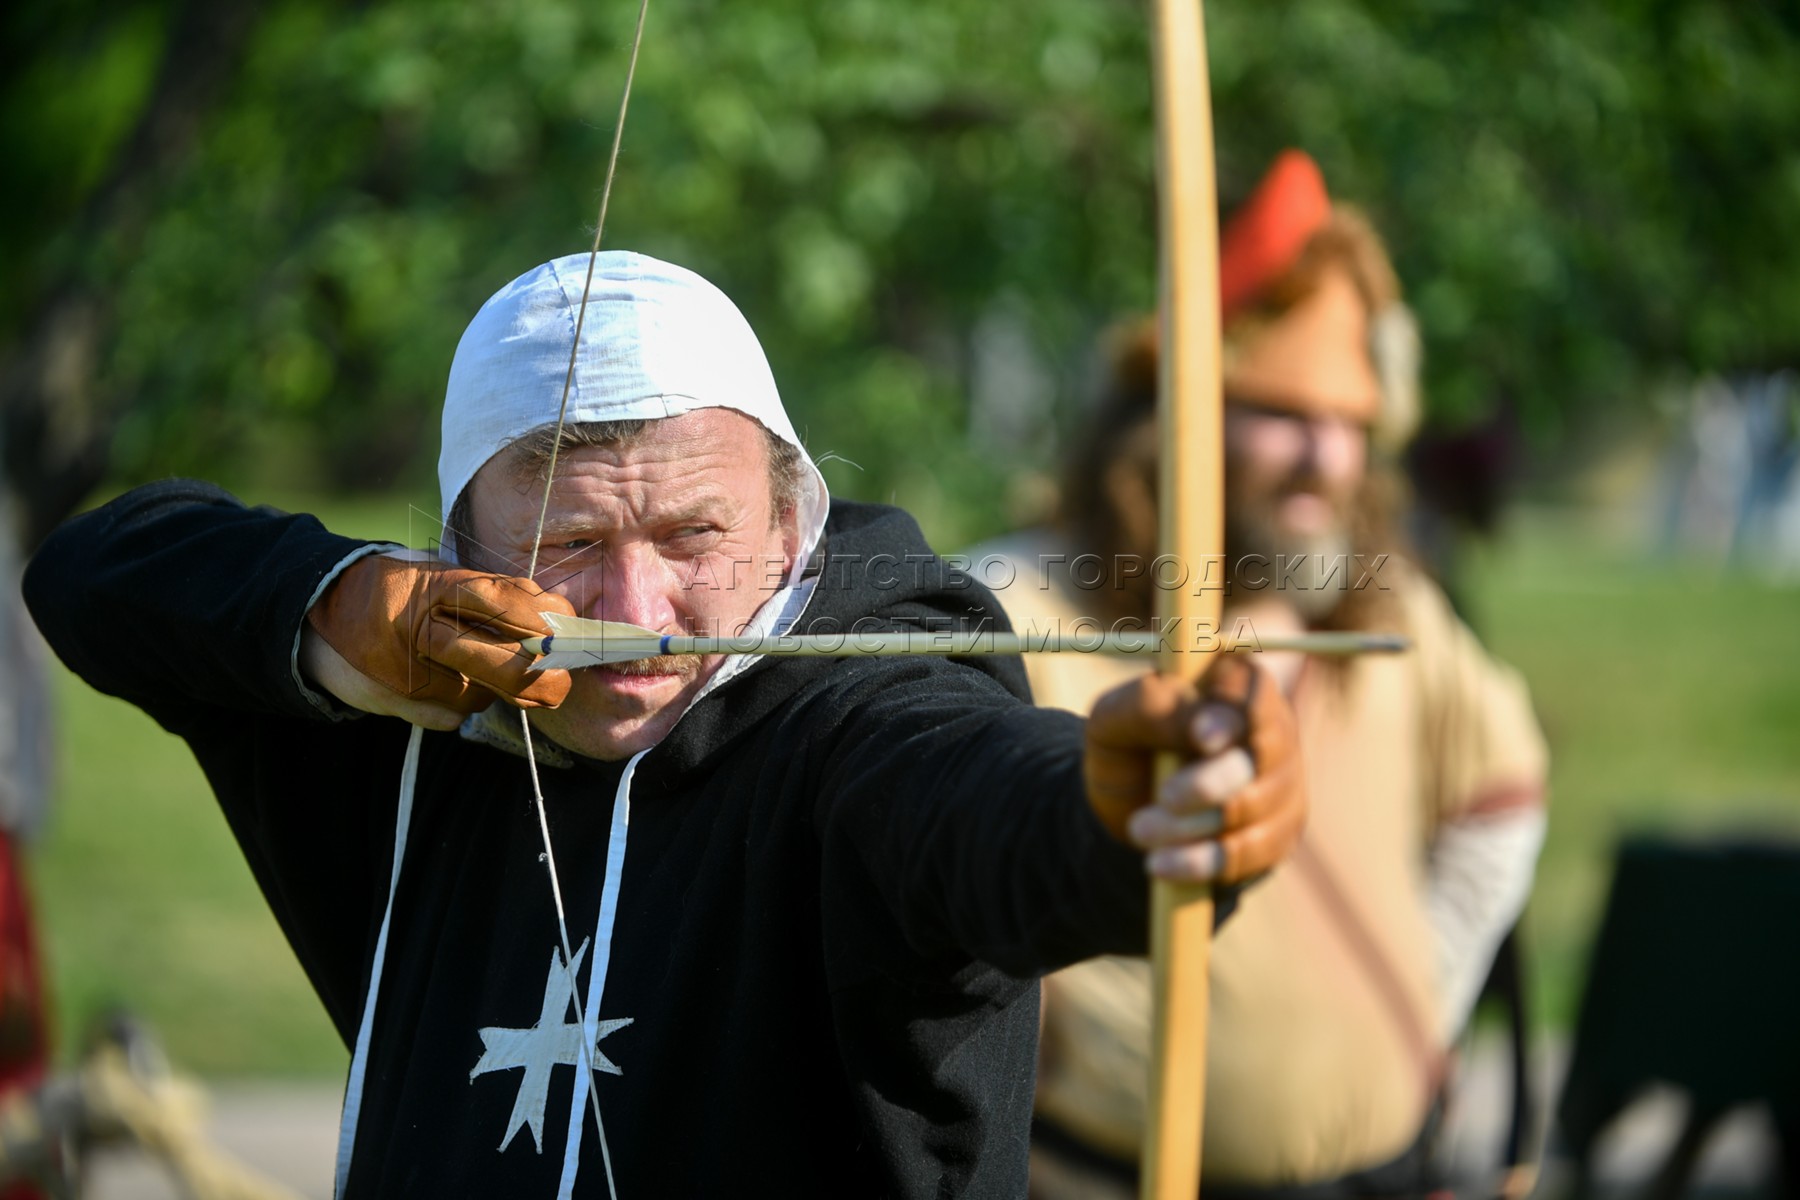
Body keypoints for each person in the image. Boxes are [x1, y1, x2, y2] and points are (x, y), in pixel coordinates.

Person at [24, 252, 1306, 1198]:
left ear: (790, 522)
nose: (637, 615)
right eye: (567, 542)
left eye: (695, 536)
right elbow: (92, 575)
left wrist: (1114, 813)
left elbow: (973, 796)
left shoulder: (858, 723)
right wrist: (341, 604)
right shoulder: (417, 698)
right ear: (457, 542)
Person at [975, 152, 1549, 1197]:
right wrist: (1010, 1031)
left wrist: (1414, 1003)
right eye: (1285, 414)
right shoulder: (1018, 608)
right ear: (1170, 422)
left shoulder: (1391, 612)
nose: (1327, 460)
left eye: (1351, 427)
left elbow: (1500, 793)